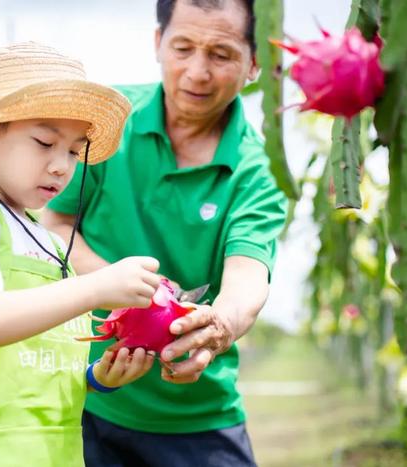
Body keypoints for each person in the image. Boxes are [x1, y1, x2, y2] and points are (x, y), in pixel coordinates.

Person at [42, 1, 288, 465]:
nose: (197, 72)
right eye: (183, 47)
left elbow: (248, 276)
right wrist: (114, 285)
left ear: (254, 64)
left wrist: (218, 326)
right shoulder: (106, 123)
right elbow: (54, 224)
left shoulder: (260, 170)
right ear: (158, 43)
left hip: (197, 415)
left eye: (221, 54)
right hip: (85, 395)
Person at [0, 42, 163, 467]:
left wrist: (97, 379)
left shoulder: (50, 242)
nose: (62, 165)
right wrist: (95, 287)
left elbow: (34, 364)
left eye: (73, 150)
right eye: (45, 142)